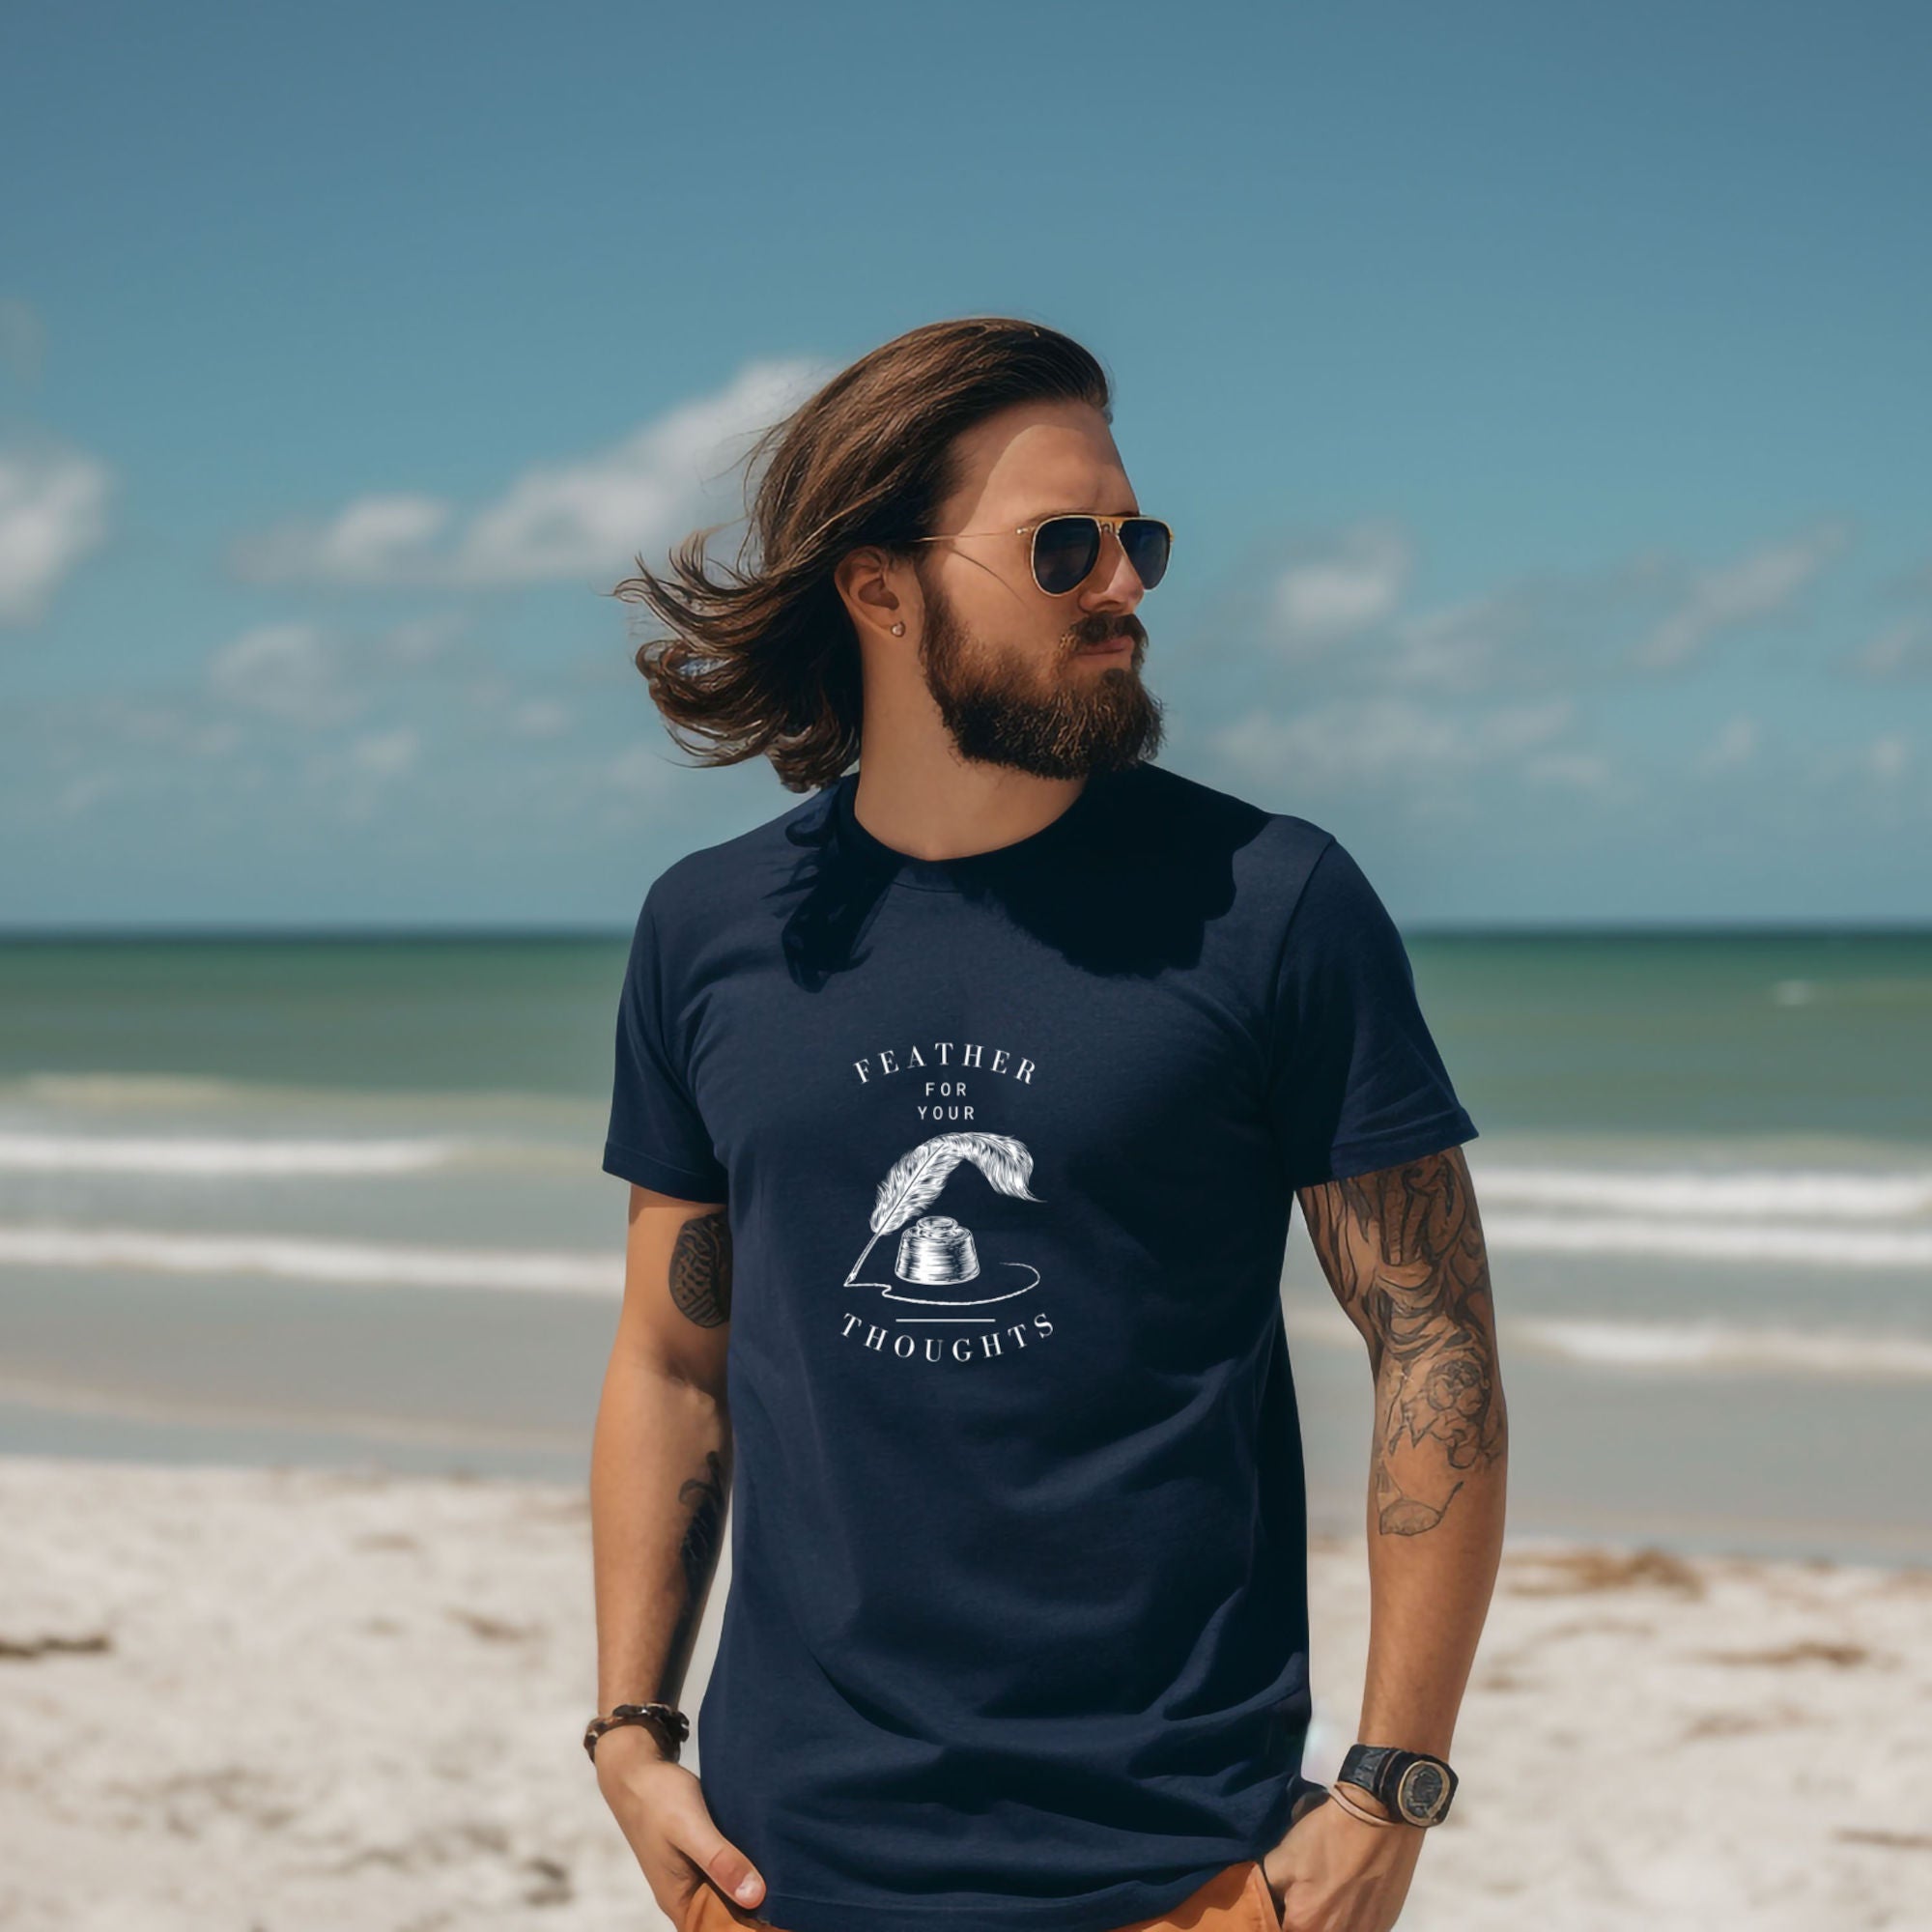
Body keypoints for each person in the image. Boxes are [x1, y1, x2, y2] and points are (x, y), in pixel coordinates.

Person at [587, 317, 1508, 1932]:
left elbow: (1432, 1339)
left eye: (1136, 539)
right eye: (1064, 547)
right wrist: (629, 1731)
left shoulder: (1272, 903)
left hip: (1178, 1873)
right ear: (880, 587)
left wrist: (1390, 1791)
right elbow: (674, 1359)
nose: (1127, 585)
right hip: (779, 1870)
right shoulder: (708, 929)